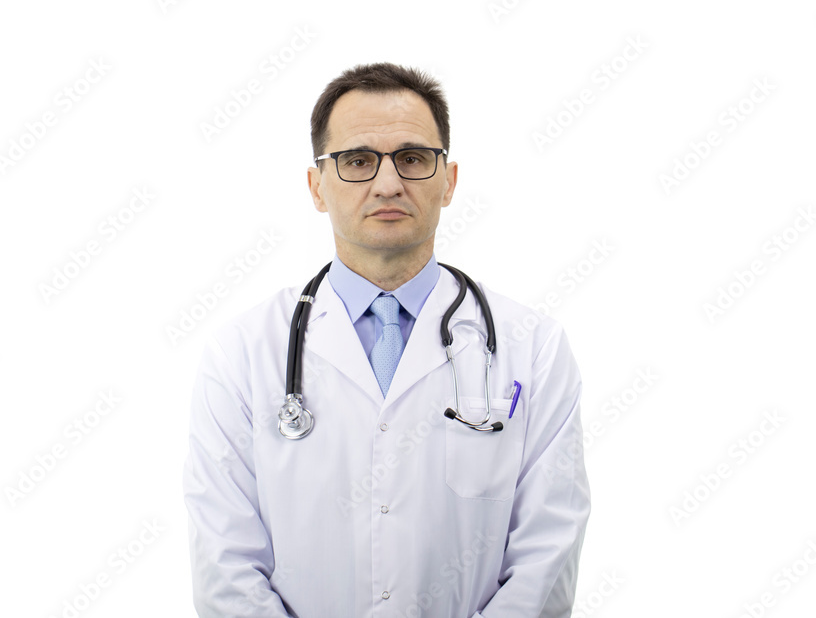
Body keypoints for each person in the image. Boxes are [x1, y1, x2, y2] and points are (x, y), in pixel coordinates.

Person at [183, 62, 591, 617]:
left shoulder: (533, 347)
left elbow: (547, 553)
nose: (388, 183)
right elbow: (224, 562)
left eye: (413, 158)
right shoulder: (242, 352)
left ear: (448, 181)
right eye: (356, 161)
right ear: (316, 186)